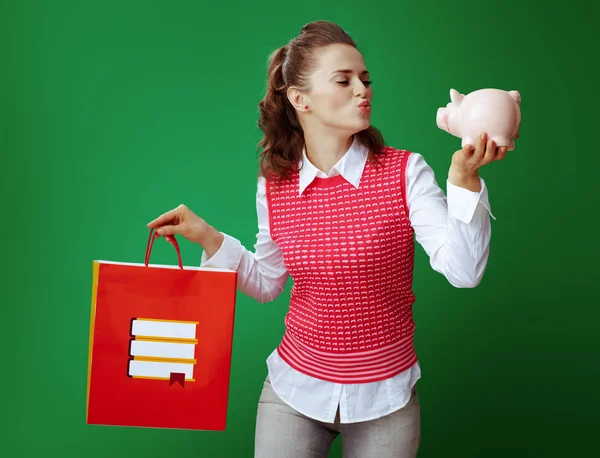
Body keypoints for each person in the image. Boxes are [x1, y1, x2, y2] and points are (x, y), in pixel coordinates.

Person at [147, 20, 510, 458]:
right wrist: (207, 237)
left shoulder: (405, 173)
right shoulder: (274, 183)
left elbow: (464, 272)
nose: (363, 89)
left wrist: (464, 179)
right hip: (293, 392)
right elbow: (266, 282)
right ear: (300, 99)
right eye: (344, 80)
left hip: (385, 400)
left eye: (366, 79)